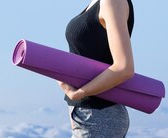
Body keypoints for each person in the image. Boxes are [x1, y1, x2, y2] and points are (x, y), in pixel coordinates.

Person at [57, 0, 135, 137]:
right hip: (87, 115)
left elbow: (124, 68)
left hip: (98, 115)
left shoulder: (112, 2)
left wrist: (79, 93)